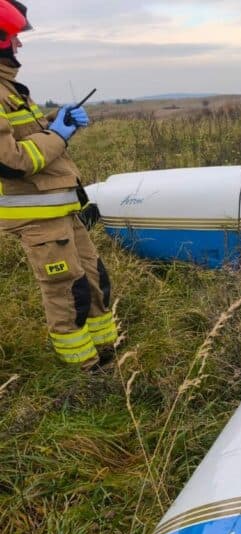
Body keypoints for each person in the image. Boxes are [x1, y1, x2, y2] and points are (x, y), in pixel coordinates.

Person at [0, 0, 114, 371]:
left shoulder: (10, 88)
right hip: (38, 217)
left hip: (61, 207)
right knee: (69, 292)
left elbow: (29, 135)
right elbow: (11, 161)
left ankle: (107, 354)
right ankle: (83, 373)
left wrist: (56, 120)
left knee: (95, 280)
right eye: (13, 38)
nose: (18, 46)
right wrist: (60, 135)